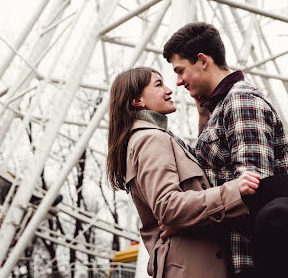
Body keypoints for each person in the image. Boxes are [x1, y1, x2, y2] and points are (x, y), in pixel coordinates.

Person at [163, 22, 288, 278]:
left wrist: (186, 223)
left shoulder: (242, 101)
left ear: (202, 60)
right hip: (232, 259)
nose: (177, 82)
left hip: (250, 262)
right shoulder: (221, 108)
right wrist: (203, 118)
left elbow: (256, 194)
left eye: (180, 70)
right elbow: (213, 173)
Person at [107, 67, 261, 278]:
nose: (169, 90)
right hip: (193, 266)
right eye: (158, 85)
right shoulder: (151, 139)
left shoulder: (151, 138)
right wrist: (234, 192)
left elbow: (197, 178)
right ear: (137, 101)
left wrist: (203, 118)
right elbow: (168, 206)